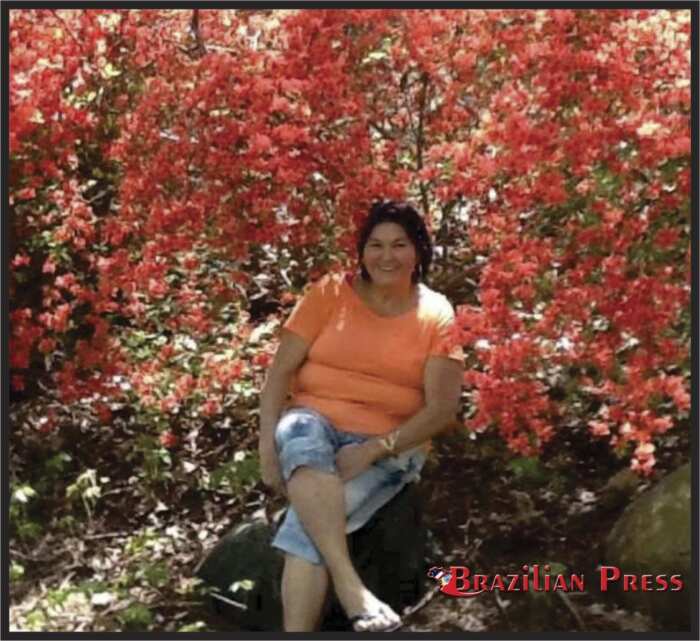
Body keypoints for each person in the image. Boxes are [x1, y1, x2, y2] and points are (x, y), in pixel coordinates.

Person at [258, 200, 464, 632]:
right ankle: (352, 588)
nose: (386, 256)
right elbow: (278, 375)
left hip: (390, 444)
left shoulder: (437, 313)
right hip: (313, 424)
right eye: (376, 245)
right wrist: (267, 453)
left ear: (419, 251)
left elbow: (442, 409)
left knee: (304, 529)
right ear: (362, 251)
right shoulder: (330, 293)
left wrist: (373, 450)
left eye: (399, 245)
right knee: (300, 432)